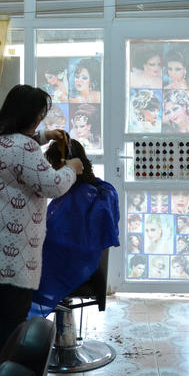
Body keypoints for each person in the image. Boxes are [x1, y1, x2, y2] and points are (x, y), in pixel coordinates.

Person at [0, 84, 84, 365]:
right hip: (12, 248)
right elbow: (52, 185)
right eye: (39, 117)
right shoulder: (23, 147)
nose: (39, 122)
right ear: (27, 116)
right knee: (13, 318)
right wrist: (72, 168)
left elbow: (19, 148)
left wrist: (46, 136)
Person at [30, 136, 120, 317]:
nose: (52, 172)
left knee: (5, 281)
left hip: (71, 269)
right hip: (84, 266)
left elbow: (58, 240)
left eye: (53, 166)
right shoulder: (100, 189)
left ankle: (9, 339)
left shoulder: (79, 196)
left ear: (63, 165)